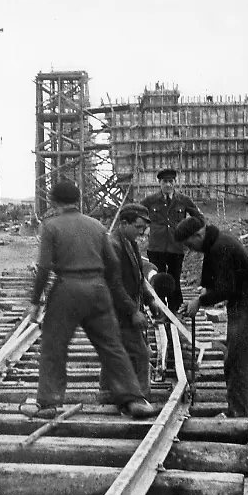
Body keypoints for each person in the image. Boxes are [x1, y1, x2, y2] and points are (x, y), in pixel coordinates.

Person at [25, 180, 154, 420]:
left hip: (67, 288)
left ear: (54, 202)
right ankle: (134, 399)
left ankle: (49, 403)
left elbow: (43, 268)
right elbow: (113, 265)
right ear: (78, 200)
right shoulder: (96, 226)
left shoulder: (50, 226)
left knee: (54, 345)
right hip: (98, 289)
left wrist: (35, 301)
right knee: (112, 346)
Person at [174, 217, 248, 418]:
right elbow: (215, 283)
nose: (189, 249)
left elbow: (225, 289)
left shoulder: (220, 248)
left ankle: (239, 417)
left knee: (238, 361)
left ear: (198, 235)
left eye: (189, 244)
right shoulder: (217, 244)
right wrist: (202, 296)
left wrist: (200, 302)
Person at [101, 203, 159, 407]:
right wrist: (134, 311)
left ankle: (108, 393)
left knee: (116, 350)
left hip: (123, 309)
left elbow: (139, 277)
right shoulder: (113, 246)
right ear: (124, 223)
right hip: (116, 310)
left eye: (144, 228)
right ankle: (140, 399)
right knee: (141, 353)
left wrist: (150, 301)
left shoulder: (130, 242)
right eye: (139, 227)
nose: (142, 232)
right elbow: (114, 285)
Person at [140, 168, 205, 312]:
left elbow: (199, 219)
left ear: (175, 182)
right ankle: (159, 310)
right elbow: (136, 213)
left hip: (176, 248)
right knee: (158, 280)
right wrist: (143, 229)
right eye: (165, 182)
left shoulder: (183, 200)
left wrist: (189, 234)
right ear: (160, 183)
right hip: (156, 248)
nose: (168, 185)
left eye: (171, 181)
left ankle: (176, 312)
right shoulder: (151, 201)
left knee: (175, 279)